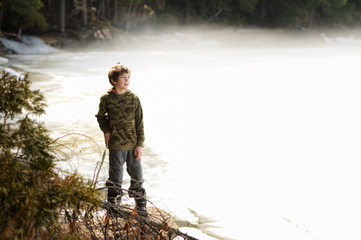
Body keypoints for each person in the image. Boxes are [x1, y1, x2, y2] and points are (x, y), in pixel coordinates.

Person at [95, 63, 147, 216]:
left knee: (137, 177)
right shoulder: (106, 98)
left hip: (132, 145)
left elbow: (139, 122)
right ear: (113, 80)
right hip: (116, 144)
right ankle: (113, 207)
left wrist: (140, 144)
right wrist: (106, 131)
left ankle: (141, 207)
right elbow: (100, 117)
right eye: (124, 78)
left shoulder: (134, 98)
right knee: (116, 177)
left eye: (129, 77)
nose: (127, 80)